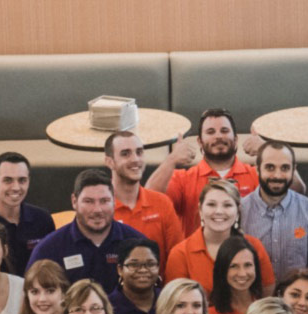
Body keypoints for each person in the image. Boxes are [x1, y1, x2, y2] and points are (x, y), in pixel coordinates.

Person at [27, 169, 144, 293]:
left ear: (114, 201)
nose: (97, 209)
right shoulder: (48, 250)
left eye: (104, 201)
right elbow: (32, 297)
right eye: (89, 201)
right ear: (74, 201)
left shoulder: (138, 245)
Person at [147, 108, 260, 235]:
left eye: (224, 130)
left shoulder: (256, 174)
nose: (218, 136)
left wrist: (264, 151)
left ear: (235, 139)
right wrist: (172, 159)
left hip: (245, 252)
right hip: (196, 253)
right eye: (210, 132)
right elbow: (149, 200)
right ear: (200, 142)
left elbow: (285, 197)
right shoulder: (183, 179)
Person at [164, 179, 276, 295]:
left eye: (227, 205)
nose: (219, 211)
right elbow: (175, 300)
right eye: (211, 204)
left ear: (237, 211)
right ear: (200, 209)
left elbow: (266, 292)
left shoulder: (254, 246)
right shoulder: (180, 253)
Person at [240, 141, 308, 279]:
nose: (277, 175)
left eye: (285, 168)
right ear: (257, 169)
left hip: (299, 299)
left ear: (293, 170)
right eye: (270, 167)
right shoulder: (240, 211)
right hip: (254, 299)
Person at [104, 131, 183, 274]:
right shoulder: (100, 208)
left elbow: (177, 258)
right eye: (125, 154)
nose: (135, 159)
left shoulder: (162, 203)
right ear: (109, 162)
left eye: (139, 152)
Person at [0, 151, 54, 276]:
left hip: (34, 293)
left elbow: (51, 266)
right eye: (8, 180)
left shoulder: (43, 219)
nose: (16, 187)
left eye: (22, 180)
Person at [207, 236, 265, 314]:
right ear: (222, 270)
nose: (242, 274)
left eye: (248, 265)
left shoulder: (266, 309)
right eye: (234, 266)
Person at [107, 238, 161, 314]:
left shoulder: (170, 301)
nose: (142, 270)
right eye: (134, 265)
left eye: (150, 264)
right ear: (120, 270)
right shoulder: (107, 308)